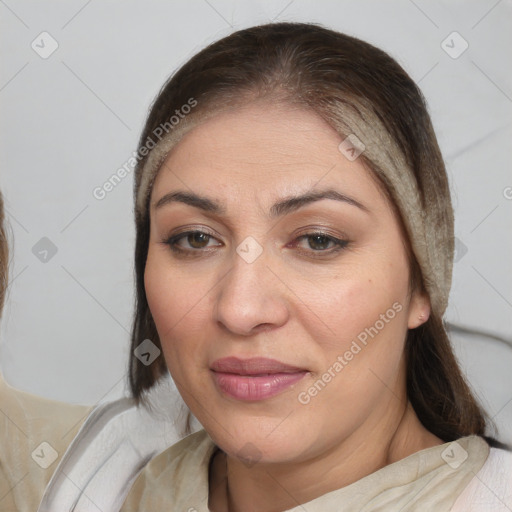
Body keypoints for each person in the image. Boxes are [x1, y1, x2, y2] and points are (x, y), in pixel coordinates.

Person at [1, 21, 511, 512]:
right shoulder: (79, 486)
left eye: (318, 240)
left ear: (422, 280)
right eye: (195, 238)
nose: (241, 309)